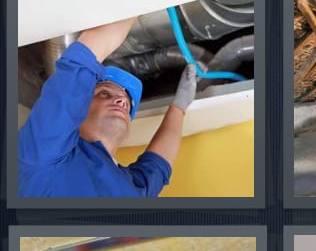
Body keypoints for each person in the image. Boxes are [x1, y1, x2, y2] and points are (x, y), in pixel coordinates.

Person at [18, 16, 199, 197]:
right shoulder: (133, 192)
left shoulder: (47, 147)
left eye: (104, 93)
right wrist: (179, 107)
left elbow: (82, 60)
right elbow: (159, 165)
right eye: (125, 103)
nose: (122, 101)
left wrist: (137, 1)